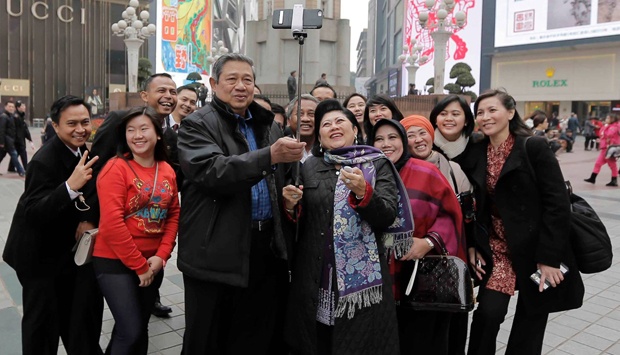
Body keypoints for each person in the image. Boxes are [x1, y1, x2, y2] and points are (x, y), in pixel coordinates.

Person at [176, 53, 305, 354]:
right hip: (215, 250)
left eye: (247, 79)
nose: (240, 86)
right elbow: (212, 171)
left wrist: (287, 196)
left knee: (253, 335)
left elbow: (282, 176)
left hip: (263, 246)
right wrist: (268, 156)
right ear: (214, 83)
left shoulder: (267, 125)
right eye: (231, 79)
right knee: (207, 337)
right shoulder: (197, 124)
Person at [461, 89, 584, 355]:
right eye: (480, 112)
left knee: (532, 318)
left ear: (510, 112)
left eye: (492, 110)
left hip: (537, 248)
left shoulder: (533, 146)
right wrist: (472, 242)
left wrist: (549, 257)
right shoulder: (476, 149)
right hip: (498, 246)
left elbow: (557, 204)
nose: (485, 117)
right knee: (489, 314)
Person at [282, 99, 405, 354]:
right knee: (317, 341)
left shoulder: (377, 164)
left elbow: (387, 215)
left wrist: (363, 193)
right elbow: (299, 224)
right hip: (315, 275)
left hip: (360, 283)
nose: (333, 127)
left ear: (355, 130)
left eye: (340, 122)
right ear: (320, 134)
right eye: (326, 124)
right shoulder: (309, 167)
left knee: (358, 343)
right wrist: (290, 207)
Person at [2, 95, 104, 355]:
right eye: (71, 123)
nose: (80, 129)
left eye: (85, 122)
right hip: (36, 258)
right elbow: (34, 212)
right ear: (55, 126)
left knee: (70, 317)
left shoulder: (81, 150)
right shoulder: (43, 161)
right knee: (41, 325)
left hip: (61, 254)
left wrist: (87, 216)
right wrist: (70, 186)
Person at [85, 73, 179, 319]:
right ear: (145, 96)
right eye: (161, 91)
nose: (168, 96)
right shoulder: (119, 120)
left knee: (139, 321)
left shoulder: (168, 132)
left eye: (172, 91)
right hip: (111, 231)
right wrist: (89, 219)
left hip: (151, 238)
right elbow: (95, 169)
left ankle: (152, 299)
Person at [369, 118, 466, 355]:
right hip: (377, 280)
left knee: (421, 344)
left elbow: (451, 215)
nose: (386, 144)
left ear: (403, 140)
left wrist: (429, 241)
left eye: (392, 137)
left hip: (421, 279)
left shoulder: (427, 172)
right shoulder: (364, 174)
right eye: (379, 139)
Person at [93, 107, 180, 354]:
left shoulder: (167, 170)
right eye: (131, 130)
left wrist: (161, 257)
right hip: (115, 262)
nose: (137, 135)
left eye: (144, 129)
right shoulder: (115, 168)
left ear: (158, 134)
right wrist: (139, 266)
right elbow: (111, 224)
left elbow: (173, 215)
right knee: (130, 329)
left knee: (137, 328)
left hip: (152, 262)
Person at [401, 115, 471, 194]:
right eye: (410, 136)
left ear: (431, 135)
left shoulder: (453, 169)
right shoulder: (400, 172)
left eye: (422, 133)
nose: (419, 139)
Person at [428, 94, 476, 164]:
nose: (449, 119)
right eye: (443, 114)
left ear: (466, 120)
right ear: (435, 120)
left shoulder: (477, 145)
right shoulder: (426, 145)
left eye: (455, 114)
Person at [584, 113, 620, 186]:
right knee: (598, 163)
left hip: (609, 149)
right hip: (604, 148)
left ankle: (614, 180)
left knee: (612, 165)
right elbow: (603, 135)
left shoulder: (614, 127)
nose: (606, 119)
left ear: (612, 119)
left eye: (608, 118)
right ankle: (593, 178)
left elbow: (610, 135)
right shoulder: (607, 126)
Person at [286, 94, 319, 162]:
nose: (305, 119)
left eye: (311, 114)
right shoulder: (282, 149)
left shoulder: (326, 149)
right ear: (289, 120)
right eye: (299, 114)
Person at [0, 101, 26, 176]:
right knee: (14, 154)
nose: (11, 108)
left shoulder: (10, 116)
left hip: (9, 141)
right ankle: (21, 171)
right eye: (9, 106)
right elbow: (1, 130)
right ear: (5, 107)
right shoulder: (4, 117)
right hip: (6, 141)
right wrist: (1, 142)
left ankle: (20, 170)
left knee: (1, 155)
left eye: (12, 107)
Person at [8, 100, 34, 172]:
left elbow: (25, 129)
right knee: (23, 153)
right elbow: (19, 130)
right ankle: (26, 168)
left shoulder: (21, 115)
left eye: (24, 106)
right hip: (17, 139)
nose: (24, 107)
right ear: (18, 107)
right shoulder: (16, 117)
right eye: (22, 106)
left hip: (19, 138)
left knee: (17, 153)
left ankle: (11, 168)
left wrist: (29, 139)